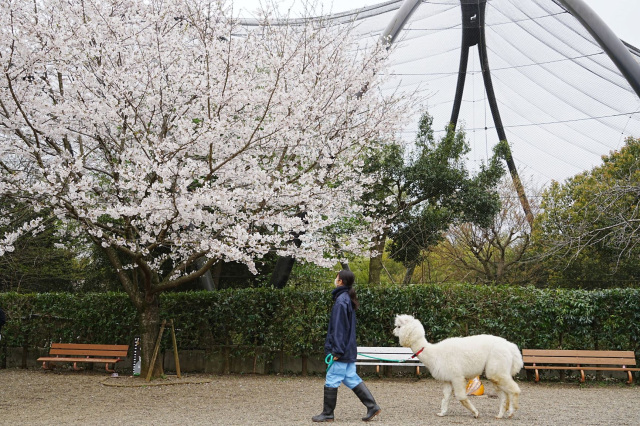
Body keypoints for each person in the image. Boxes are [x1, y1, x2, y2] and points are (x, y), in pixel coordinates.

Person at [312, 269, 381, 422]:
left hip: (341, 351)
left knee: (332, 379)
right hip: (348, 349)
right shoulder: (346, 298)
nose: (335, 279)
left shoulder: (341, 301)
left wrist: (336, 350)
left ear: (341, 281)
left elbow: (339, 328)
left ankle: (328, 413)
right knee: (351, 377)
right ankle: (372, 406)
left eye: (337, 277)